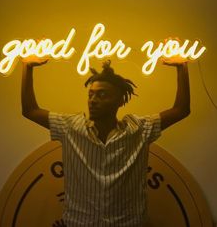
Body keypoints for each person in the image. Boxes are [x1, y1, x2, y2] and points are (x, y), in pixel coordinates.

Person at [21, 57, 190, 227]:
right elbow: (30, 110)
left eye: (102, 95)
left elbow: (181, 110)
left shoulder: (139, 129)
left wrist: (182, 66)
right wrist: (27, 66)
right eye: (91, 94)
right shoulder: (70, 127)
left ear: (119, 100)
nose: (93, 100)